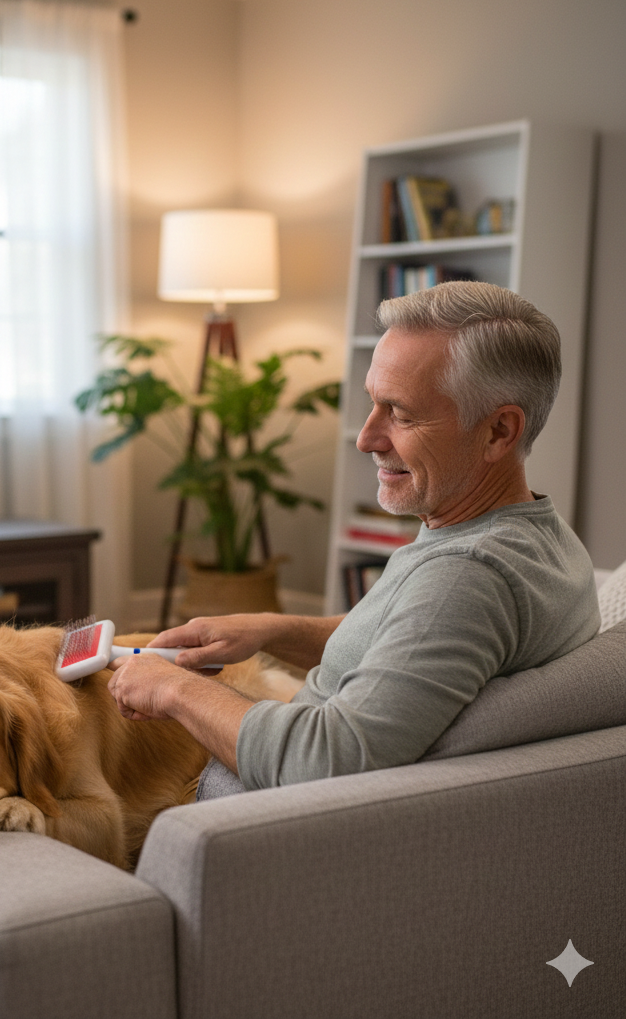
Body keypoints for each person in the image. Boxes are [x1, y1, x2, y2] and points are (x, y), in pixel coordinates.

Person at [107, 281, 600, 790]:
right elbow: (407, 644)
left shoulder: (467, 577)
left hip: (252, 838)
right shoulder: (540, 536)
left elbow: (326, 762)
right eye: (373, 403)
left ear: (499, 431)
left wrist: (175, 691)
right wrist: (269, 630)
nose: (367, 437)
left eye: (401, 413)